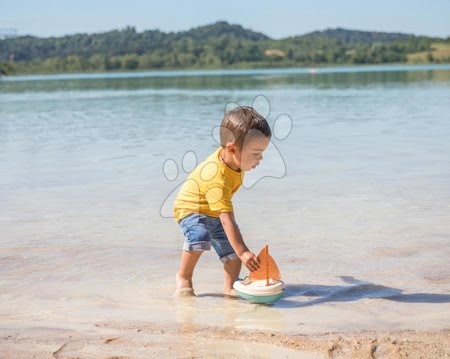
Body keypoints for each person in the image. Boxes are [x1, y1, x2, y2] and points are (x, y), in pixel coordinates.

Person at [173, 106, 272, 297]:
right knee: (200, 236)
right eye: (256, 153)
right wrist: (244, 252)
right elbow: (228, 220)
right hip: (192, 209)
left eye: (261, 153)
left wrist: (239, 252)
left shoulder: (234, 159)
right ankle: (184, 277)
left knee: (232, 254)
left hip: (214, 211)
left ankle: (230, 287)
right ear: (232, 148)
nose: (260, 158)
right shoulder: (215, 177)